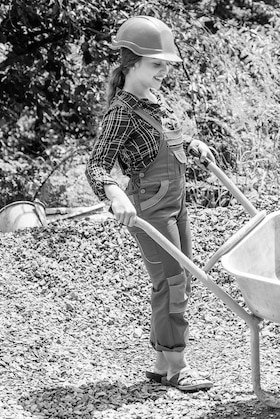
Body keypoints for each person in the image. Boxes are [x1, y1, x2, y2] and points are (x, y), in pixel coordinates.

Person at [85, 15, 215, 392]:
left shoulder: (156, 98)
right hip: (152, 208)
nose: (164, 72)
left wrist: (194, 145)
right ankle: (178, 366)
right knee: (172, 284)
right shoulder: (121, 112)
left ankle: (161, 363)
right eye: (157, 65)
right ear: (132, 63)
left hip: (177, 203)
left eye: (165, 65)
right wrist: (115, 194)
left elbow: (171, 138)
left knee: (178, 280)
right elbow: (96, 164)